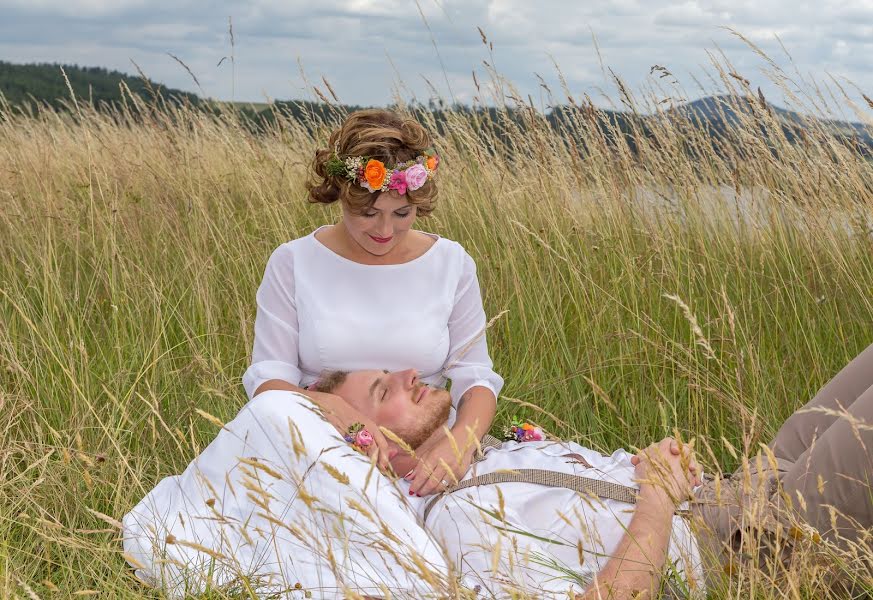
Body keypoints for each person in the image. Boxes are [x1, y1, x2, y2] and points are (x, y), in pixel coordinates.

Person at [315, 347, 873, 598]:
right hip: (751, 550)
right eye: (384, 389)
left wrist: (662, 465)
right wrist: (656, 497)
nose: (411, 372)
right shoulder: (460, 525)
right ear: (372, 447)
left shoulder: (488, 451)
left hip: (732, 490)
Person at [242, 109, 503, 497]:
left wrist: (461, 441)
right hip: (316, 449)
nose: (385, 231)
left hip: (429, 457)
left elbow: (476, 377)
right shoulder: (294, 261)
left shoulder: (451, 263)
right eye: (368, 213)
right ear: (341, 196)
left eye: (402, 213)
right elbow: (268, 377)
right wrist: (331, 408)